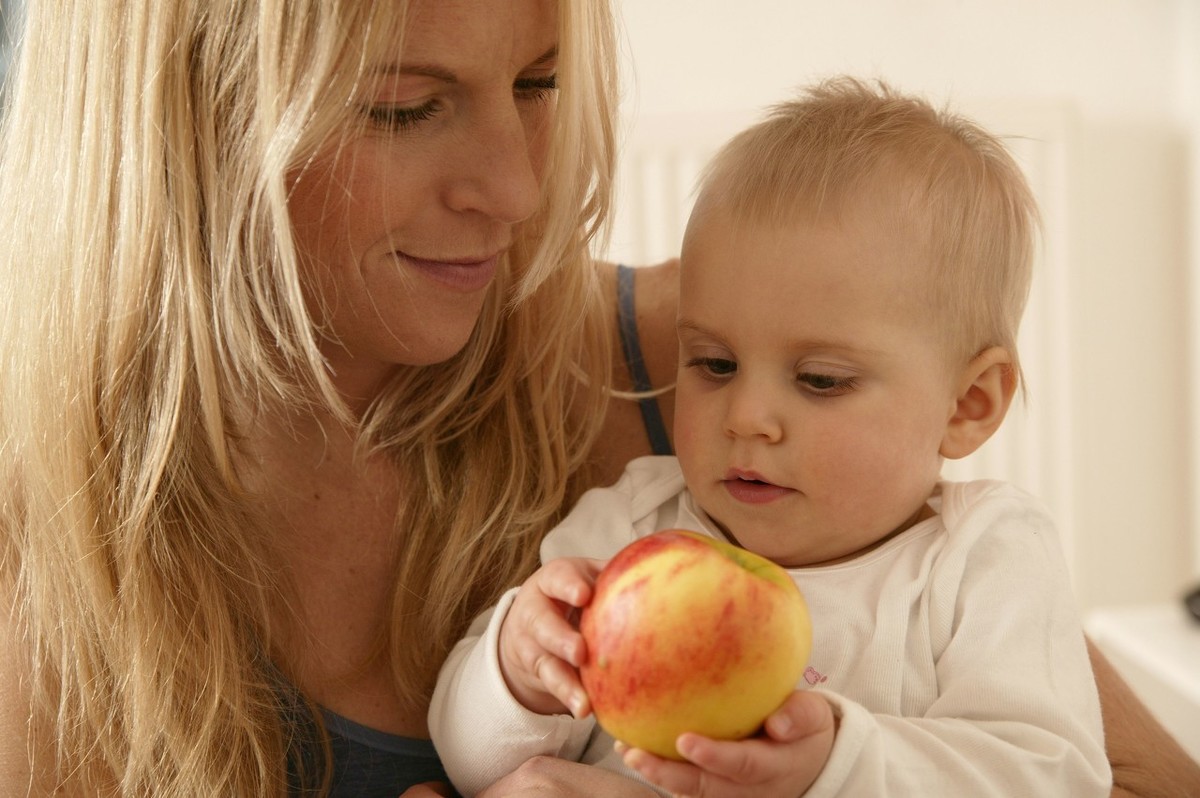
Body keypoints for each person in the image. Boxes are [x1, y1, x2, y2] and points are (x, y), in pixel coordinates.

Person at [0, 1, 1196, 796]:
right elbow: (487, 740)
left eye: (538, 82)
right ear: (187, 129)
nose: (522, 192)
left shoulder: (755, 390)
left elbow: (1076, 774)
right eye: (406, 106)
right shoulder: (646, 509)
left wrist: (839, 762)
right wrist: (520, 671)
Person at [429, 77, 1116, 797]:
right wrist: (516, 669)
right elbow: (474, 763)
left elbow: (1054, 777)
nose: (746, 417)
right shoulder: (628, 526)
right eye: (714, 364)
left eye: (820, 380)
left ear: (968, 405)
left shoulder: (981, 558)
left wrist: (839, 765)